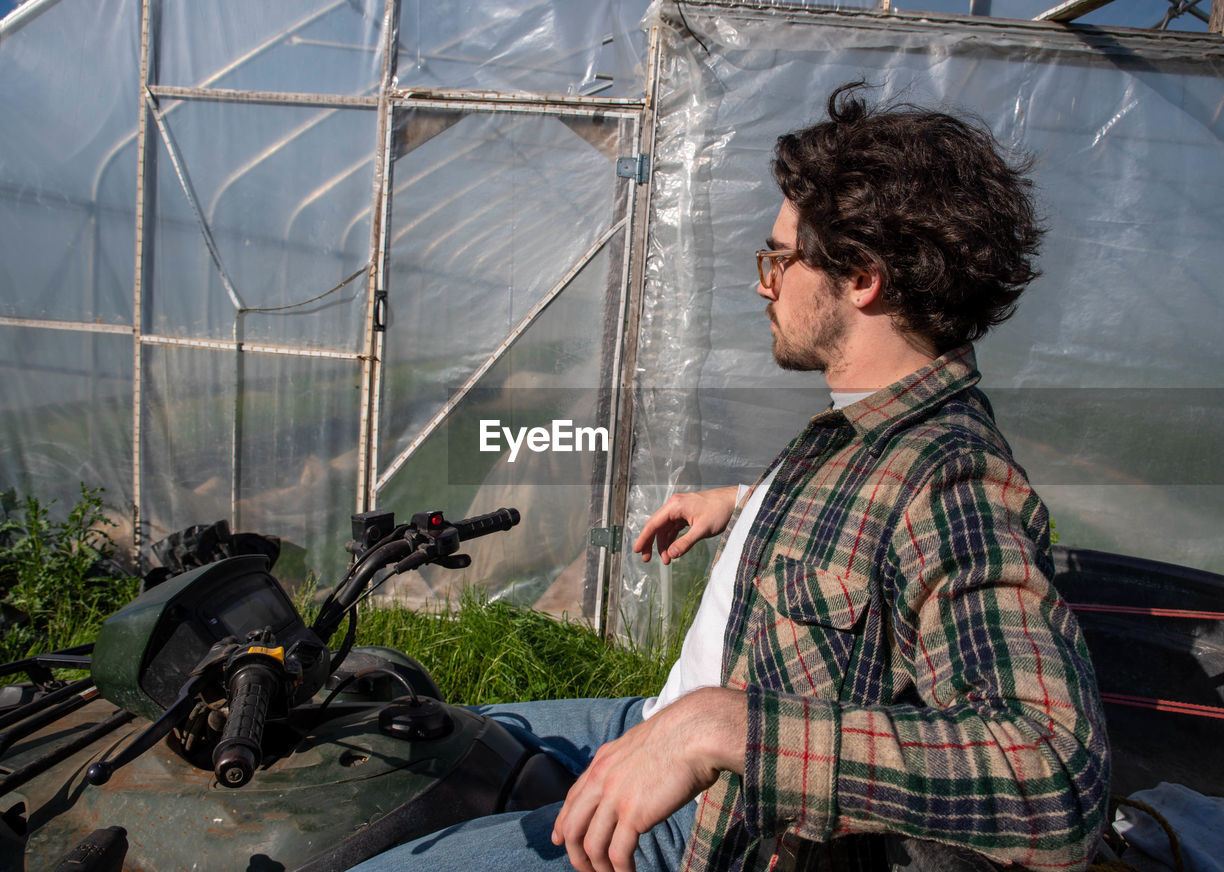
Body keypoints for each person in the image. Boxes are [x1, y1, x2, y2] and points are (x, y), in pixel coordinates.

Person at [349, 82, 1109, 872]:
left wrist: (721, 727)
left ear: (862, 278)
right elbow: (862, 535)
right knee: (406, 750)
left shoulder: (956, 482)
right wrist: (744, 506)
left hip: (712, 821)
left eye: (779, 256)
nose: (763, 281)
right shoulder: (865, 427)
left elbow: (1053, 774)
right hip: (651, 717)